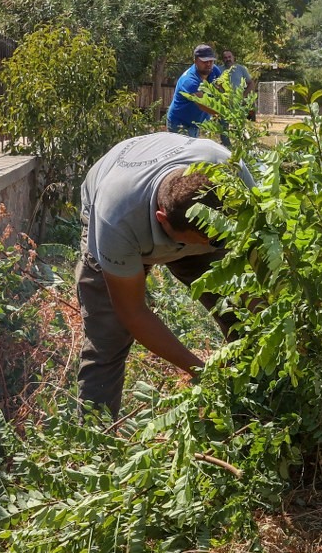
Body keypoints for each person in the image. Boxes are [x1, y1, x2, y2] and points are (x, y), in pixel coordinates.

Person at [76, 132, 240, 415]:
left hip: (177, 218)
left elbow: (260, 264)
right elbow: (133, 313)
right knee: (108, 341)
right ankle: (95, 444)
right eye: (197, 240)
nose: (208, 246)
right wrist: (201, 372)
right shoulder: (115, 218)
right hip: (120, 219)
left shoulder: (228, 175)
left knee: (243, 318)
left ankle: (253, 408)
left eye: (216, 238)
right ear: (162, 219)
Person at [167, 44, 222, 136]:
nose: (208, 64)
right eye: (204, 61)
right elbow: (204, 104)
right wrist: (227, 113)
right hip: (180, 124)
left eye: (211, 61)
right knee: (184, 150)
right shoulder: (189, 80)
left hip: (195, 122)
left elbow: (223, 88)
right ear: (195, 61)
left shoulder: (214, 70)